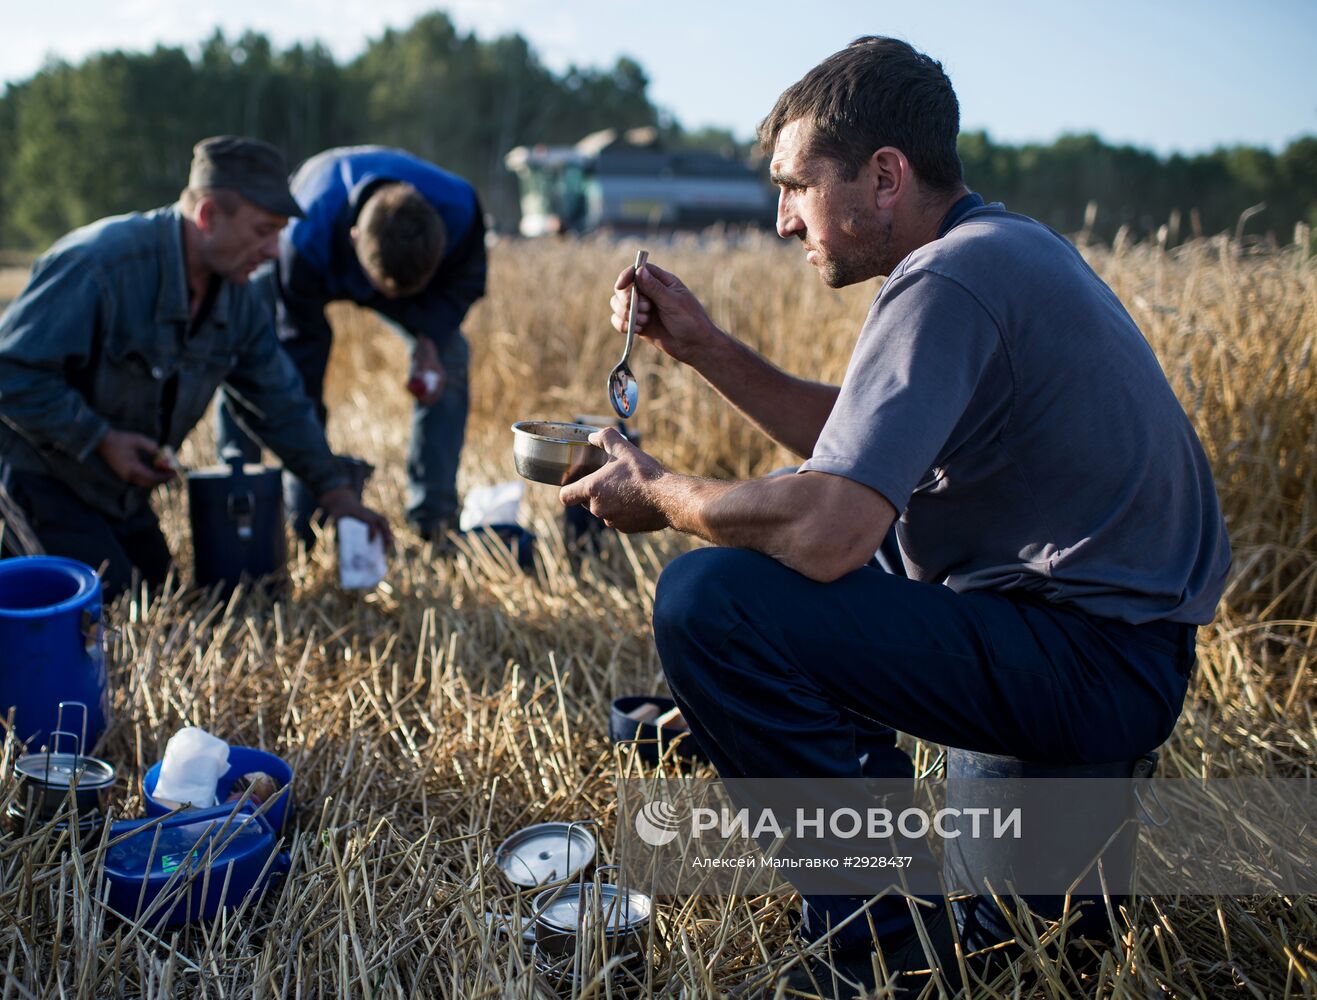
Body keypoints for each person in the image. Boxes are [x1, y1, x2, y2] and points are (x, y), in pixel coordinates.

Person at [561, 37, 1231, 996]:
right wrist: (703, 347)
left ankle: (881, 949)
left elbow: (830, 526)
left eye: (794, 186)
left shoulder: (948, 278)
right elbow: (860, 443)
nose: (785, 220)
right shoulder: (999, 250)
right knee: (1032, 952)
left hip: (1086, 667)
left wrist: (662, 495)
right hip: (1101, 654)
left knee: (714, 596)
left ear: (884, 175)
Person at [0, 136, 391, 599]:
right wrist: (99, 439)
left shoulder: (238, 298)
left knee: (162, 598)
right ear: (207, 216)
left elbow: (278, 401)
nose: (273, 250)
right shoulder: (99, 265)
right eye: (263, 230)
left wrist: (337, 495)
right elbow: (11, 372)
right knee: (108, 610)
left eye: (279, 232)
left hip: (114, 493)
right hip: (33, 480)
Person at [216, 146, 486, 543]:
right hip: (316, 256)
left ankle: (434, 519)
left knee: (451, 357)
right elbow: (300, 364)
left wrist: (430, 337)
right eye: (380, 292)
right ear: (354, 239)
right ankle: (246, 496)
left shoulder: (462, 211)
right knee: (253, 354)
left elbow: (465, 284)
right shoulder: (304, 237)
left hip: (409, 281)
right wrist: (321, 483)